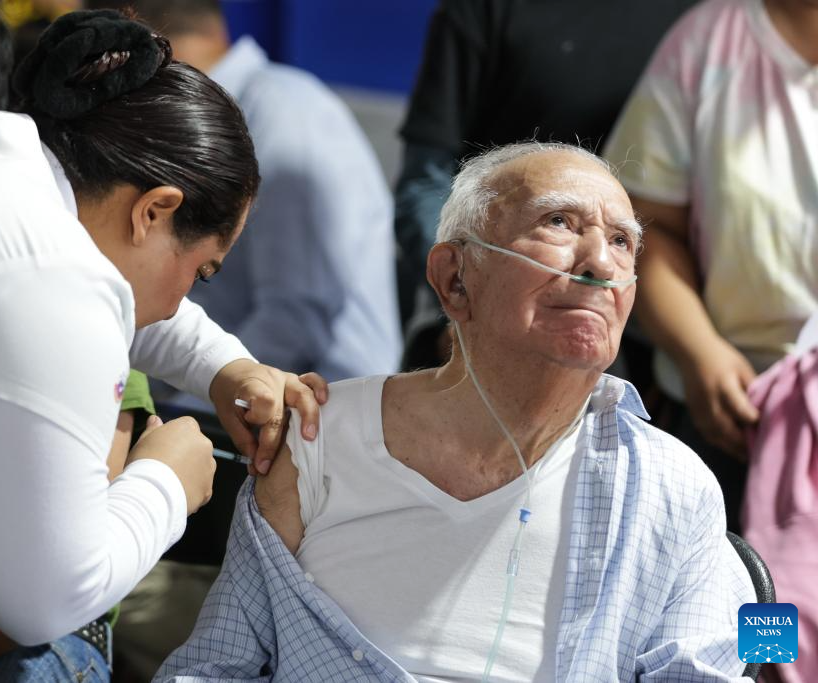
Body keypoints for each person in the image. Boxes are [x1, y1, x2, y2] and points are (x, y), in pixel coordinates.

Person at [0, 7, 324, 678]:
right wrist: (166, 480)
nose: (178, 304)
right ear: (154, 209)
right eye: (201, 272)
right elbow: (40, 596)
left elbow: (81, 279)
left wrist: (224, 364)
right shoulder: (60, 280)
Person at [157, 143, 754, 682]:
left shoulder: (670, 486)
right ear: (454, 280)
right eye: (558, 222)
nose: (599, 263)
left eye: (622, 241)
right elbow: (215, 668)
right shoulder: (320, 438)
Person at [101, 0, 402, 384]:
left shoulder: (284, 115)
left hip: (308, 404)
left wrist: (200, 398)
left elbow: (297, 317)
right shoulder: (240, 111)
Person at [603, 0, 818, 532]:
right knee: (745, 585)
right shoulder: (708, 44)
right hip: (736, 417)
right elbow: (641, 227)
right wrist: (700, 351)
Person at [394, 0, 696, 374]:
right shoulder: (486, 10)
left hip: (647, 334)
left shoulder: (703, 21)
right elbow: (426, 183)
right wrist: (468, 292)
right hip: (495, 304)